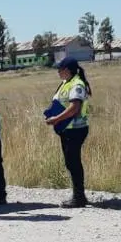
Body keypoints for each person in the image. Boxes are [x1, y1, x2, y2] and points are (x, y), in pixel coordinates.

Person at [44, 56, 91, 208]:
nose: (58, 72)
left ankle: (79, 198)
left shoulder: (77, 84)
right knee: (70, 162)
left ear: (68, 70)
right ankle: (79, 195)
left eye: (60, 69)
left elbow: (75, 108)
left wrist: (56, 119)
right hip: (67, 129)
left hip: (76, 129)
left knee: (73, 162)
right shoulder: (66, 82)